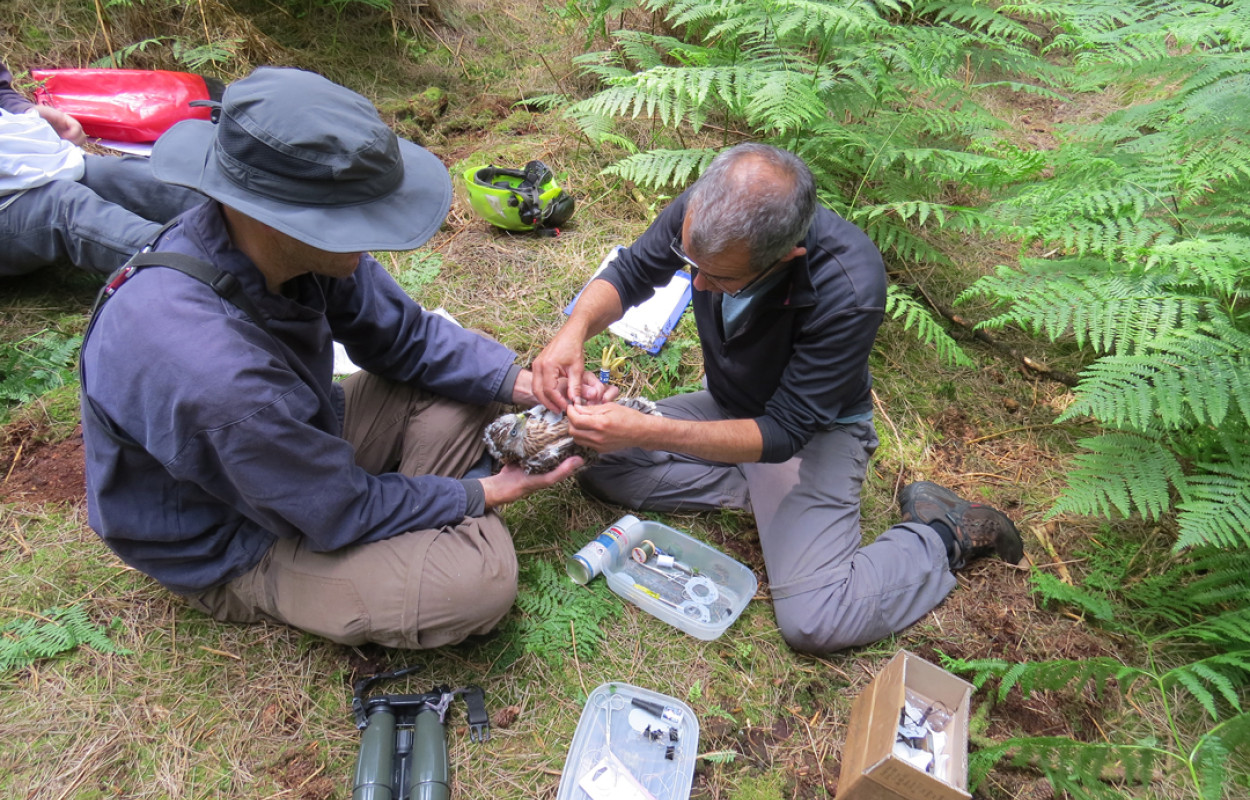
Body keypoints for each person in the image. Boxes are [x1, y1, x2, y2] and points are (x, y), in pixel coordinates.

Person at [80, 67, 595, 649]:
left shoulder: (285, 245)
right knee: (478, 584)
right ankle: (408, 533)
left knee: (472, 385)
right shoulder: (213, 371)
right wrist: (486, 492)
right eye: (352, 219)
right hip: (235, 532)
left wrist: (528, 385)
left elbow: (407, 340)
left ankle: (407, 517)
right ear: (266, 212)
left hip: (294, 445)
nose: (370, 236)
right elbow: (335, 510)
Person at [532, 143, 1024, 653]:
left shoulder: (849, 285)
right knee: (595, 461)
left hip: (809, 437)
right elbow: (634, 271)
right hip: (730, 405)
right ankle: (767, 498)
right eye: (690, 263)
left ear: (785, 258)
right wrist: (572, 333)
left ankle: (944, 532)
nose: (697, 283)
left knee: (816, 620)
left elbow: (786, 430)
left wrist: (650, 430)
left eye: (719, 277)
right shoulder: (709, 211)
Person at [0, 60, 203, 277]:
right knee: (65, 206)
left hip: (16, 161)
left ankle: (237, 217)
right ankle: (212, 273)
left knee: (115, 176)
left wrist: (27, 112)